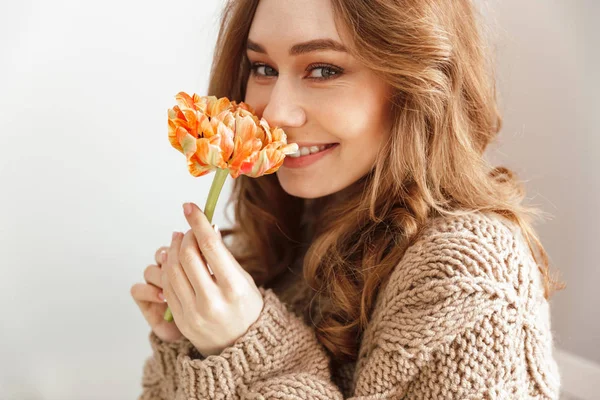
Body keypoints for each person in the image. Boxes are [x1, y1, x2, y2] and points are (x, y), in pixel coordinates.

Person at [130, 0, 565, 398]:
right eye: (262, 68)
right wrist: (190, 343)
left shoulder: (469, 274)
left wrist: (247, 348)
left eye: (323, 70)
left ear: (414, 81)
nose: (276, 113)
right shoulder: (295, 225)